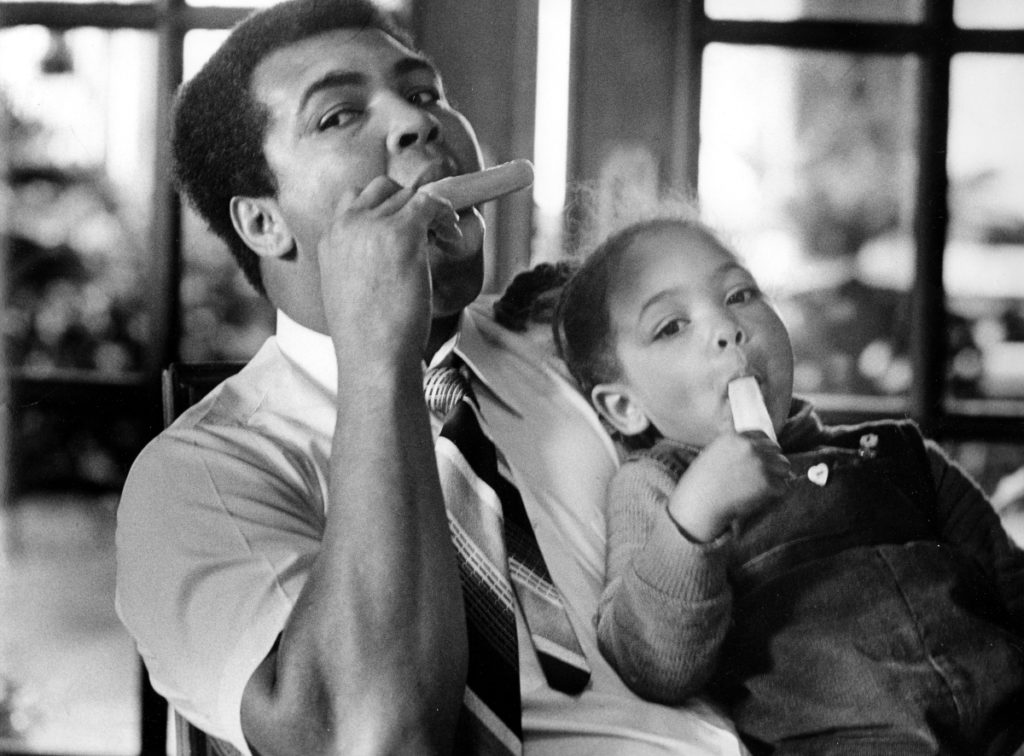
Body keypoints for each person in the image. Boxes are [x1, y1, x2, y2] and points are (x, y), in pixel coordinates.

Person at [114, 1, 747, 753]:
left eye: (422, 93)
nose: (420, 125)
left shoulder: (585, 352)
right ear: (262, 223)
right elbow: (371, 735)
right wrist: (380, 354)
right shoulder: (195, 479)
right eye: (339, 116)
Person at [553, 214, 1024, 754]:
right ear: (624, 407)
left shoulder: (902, 452)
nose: (727, 328)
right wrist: (697, 517)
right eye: (671, 326)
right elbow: (651, 663)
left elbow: (1013, 586)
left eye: (740, 293)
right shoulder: (660, 489)